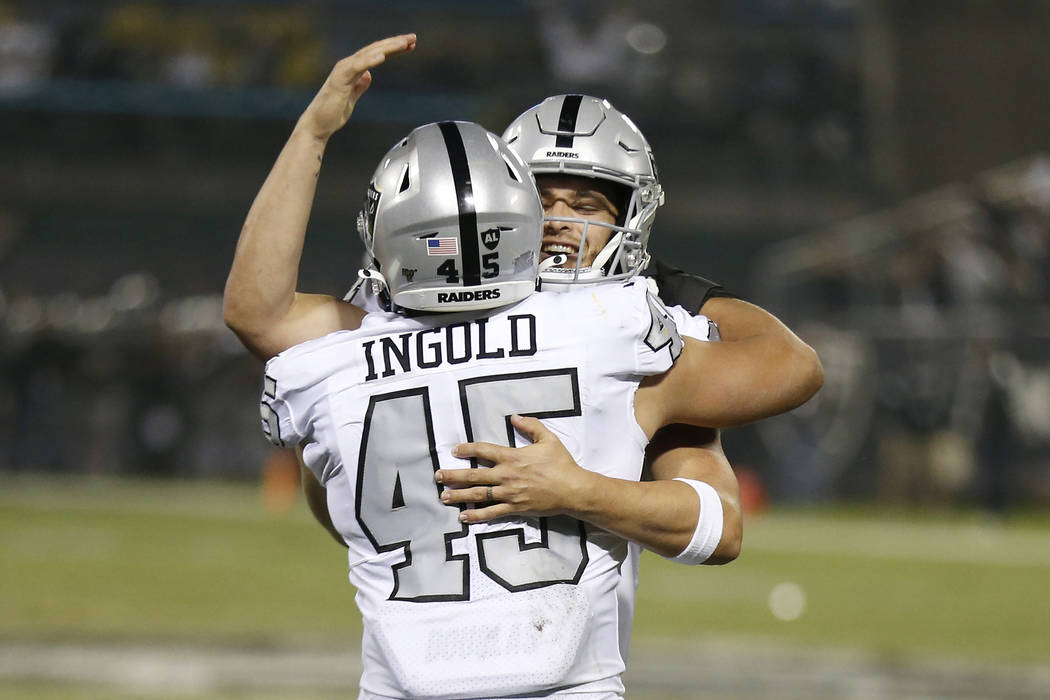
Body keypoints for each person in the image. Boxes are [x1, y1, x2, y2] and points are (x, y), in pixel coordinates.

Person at [224, 36, 796, 698]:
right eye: (545, 203)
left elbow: (254, 314)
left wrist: (314, 132)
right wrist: (580, 490)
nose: (561, 226)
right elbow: (757, 441)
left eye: (585, 206)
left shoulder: (343, 352)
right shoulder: (611, 328)